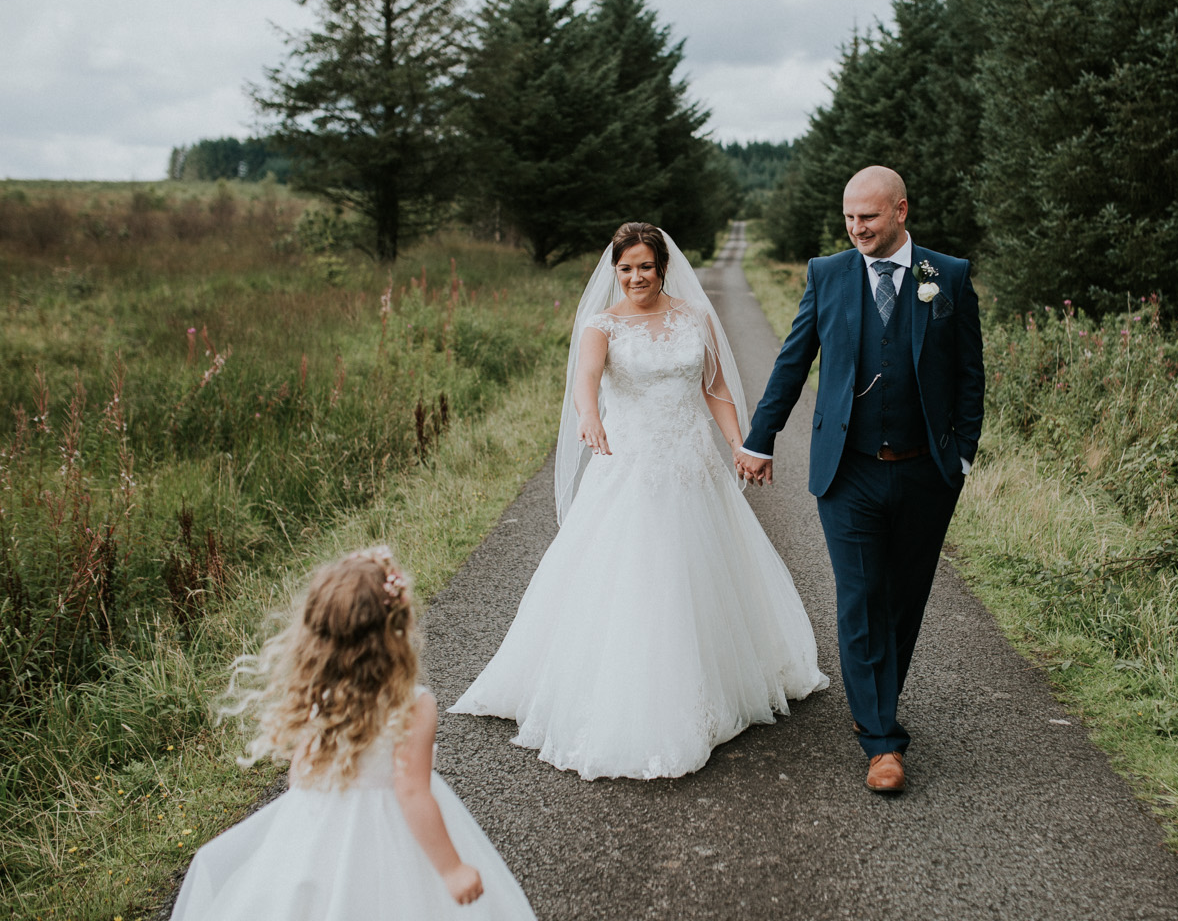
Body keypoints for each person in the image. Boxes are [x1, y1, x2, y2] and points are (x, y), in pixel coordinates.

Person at [448, 222, 828, 781]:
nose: (635, 277)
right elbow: (587, 380)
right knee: (634, 572)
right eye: (625, 268)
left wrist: (738, 443)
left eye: (645, 267)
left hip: (691, 461)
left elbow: (715, 387)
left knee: (703, 569)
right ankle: (632, 695)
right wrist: (588, 416)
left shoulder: (694, 317)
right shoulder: (601, 324)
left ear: (663, 267)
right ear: (614, 270)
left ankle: (715, 680)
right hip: (631, 464)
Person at [735, 167, 985, 795]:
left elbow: (969, 374)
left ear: (901, 210)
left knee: (905, 599)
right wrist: (759, 439)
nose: (856, 229)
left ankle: (872, 696)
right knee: (860, 596)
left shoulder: (944, 276)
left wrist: (962, 458)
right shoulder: (829, 274)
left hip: (927, 471)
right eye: (849, 217)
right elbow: (794, 361)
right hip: (847, 471)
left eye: (868, 217)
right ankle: (882, 742)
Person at [170, 547, 536, 921]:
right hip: (391, 831)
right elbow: (411, 792)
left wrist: (302, 824)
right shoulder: (412, 705)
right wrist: (451, 869)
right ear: (396, 629)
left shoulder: (317, 690)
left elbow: (302, 768)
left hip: (320, 816)